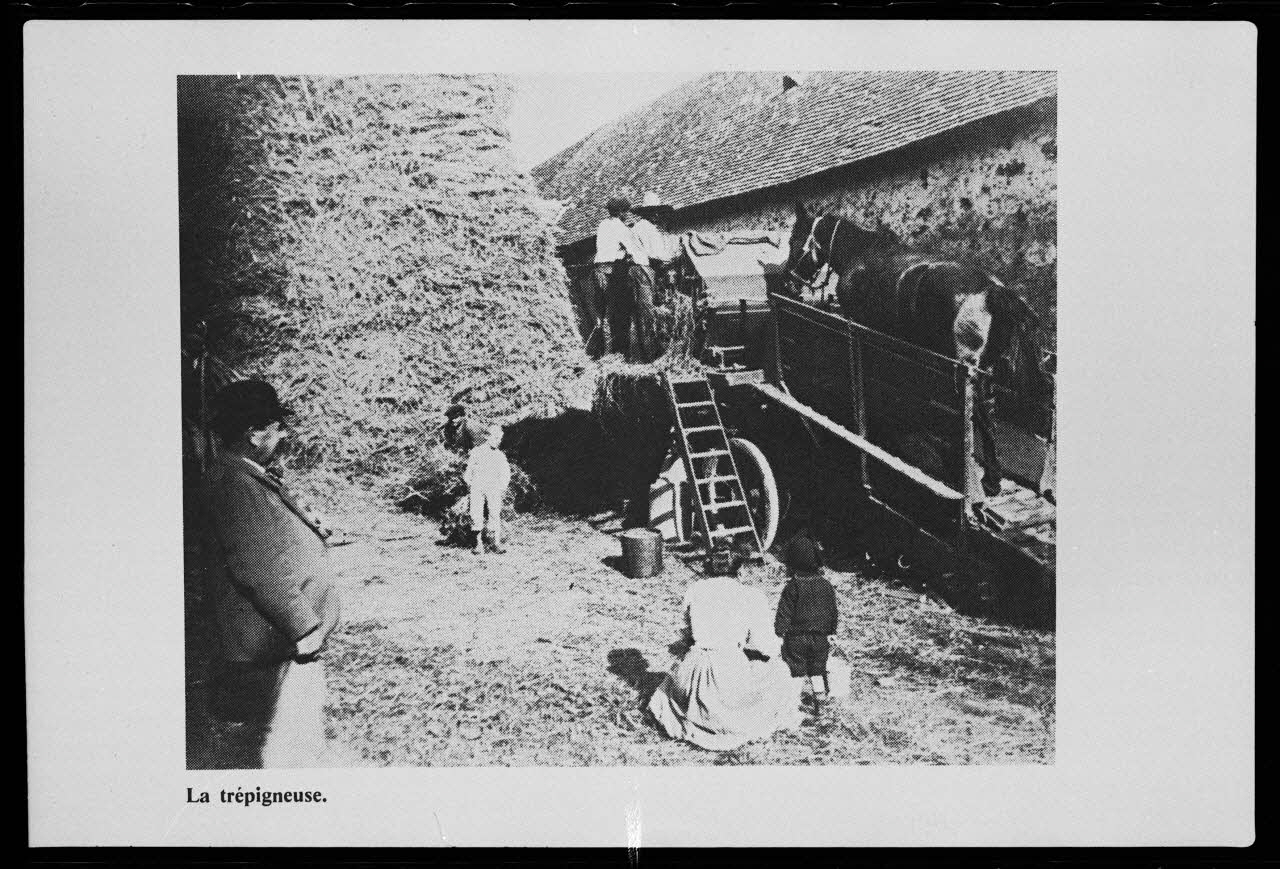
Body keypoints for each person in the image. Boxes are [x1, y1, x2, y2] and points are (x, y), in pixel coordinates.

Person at [201, 379, 344, 768]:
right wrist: (304, 627)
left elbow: (268, 540)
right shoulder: (234, 482)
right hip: (276, 643)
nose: (282, 435)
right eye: (277, 428)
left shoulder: (242, 475)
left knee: (285, 737)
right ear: (254, 433)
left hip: (277, 641)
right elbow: (258, 567)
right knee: (285, 745)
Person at [646, 548, 803, 751]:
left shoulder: (695, 590)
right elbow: (766, 646)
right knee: (781, 672)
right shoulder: (751, 595)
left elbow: (686, 636)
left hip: (691, 673)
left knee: (675, 681)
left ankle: (694, 713)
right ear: (740, 570)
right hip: (726, 674)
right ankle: (723, 720)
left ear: (708, 567)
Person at [774, 533, 839, 686]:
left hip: (796, 638)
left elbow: (784, 613)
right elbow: (832, 611)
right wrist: (832, 631)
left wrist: (779, 632)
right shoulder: (825, 585)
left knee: (797, 670)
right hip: (820, 638)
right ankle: (819, 697)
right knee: (817, 669)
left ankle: (799, 695)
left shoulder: (793, 587)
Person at [593, 195, 648, 357]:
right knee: (619, 312)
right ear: (622, 213)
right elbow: (634, 251)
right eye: (626, 212)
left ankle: (602, 353)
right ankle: (619, 353)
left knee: (601, 314)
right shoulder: (621, 228)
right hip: (611, 272)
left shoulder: (603, 225)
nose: (627, 215)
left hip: (598, 271)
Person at [464, 424, 511, 554]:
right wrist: (471, 484)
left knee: (495, 513)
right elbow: (469, 472)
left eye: (499, 439)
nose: (498, 441)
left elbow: (506, 473)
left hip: (494, 487)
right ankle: (478, 544)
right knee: (476, 514)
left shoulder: (500, 456)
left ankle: (495, 543)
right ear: (487, 437)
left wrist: (501, 487)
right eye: (495, 438)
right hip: (477, 487)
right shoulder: (477, 452)